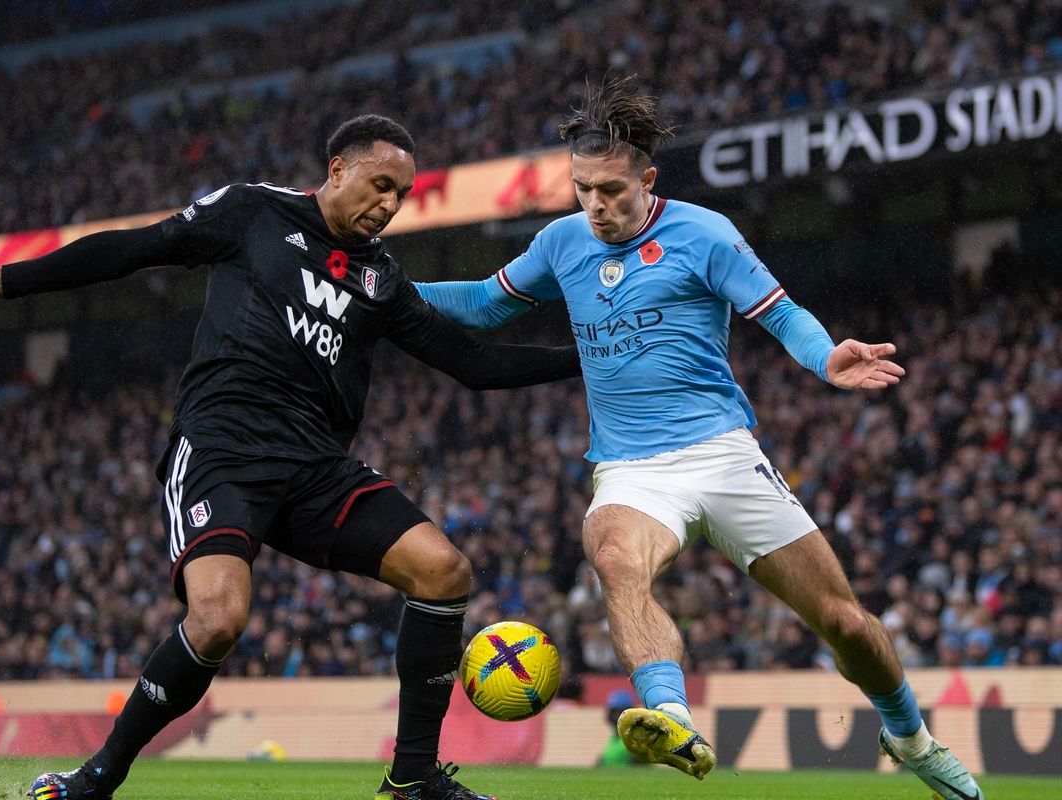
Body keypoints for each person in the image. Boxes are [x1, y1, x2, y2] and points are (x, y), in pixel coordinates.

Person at [0, 114, 580, 800]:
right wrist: (6, 280)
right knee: (218, 620)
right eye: (381, 185)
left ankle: (414, 779)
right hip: (223, 446)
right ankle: (98, 776)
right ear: (338, 169)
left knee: (443, 572)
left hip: (316, 467)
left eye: (401, 194)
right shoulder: (253, 212)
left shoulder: (382, 282)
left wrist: (592, 360)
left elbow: (474, 364)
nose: (390, 205)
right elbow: (136, 248)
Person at [413, 77, 984, 800]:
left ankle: (910, 738)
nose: (597, 205)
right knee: (618, 558)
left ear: (647, 180)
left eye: (613, 190)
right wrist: (390, 289)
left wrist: (824, 356)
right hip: (629, 469)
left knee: (846, 623)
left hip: (722, 453)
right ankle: (670, 717)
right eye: (583, 189)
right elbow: (484, 306)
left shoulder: (703, 234)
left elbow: (780, 313)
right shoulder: (561, 242)